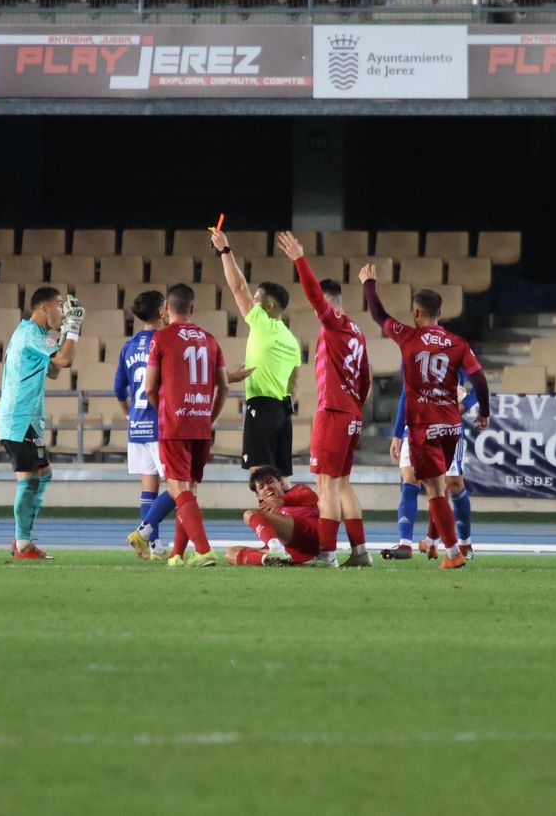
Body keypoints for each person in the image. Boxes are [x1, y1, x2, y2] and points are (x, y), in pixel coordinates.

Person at [361, 266, 490, 570]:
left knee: (432, 488)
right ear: (440, 314)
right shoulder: (458, 344)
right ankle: (443, 547)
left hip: (424, 426)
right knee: (441, 485)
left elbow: (378, 314)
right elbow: (480, 380)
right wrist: (484, 412)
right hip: (451, 426)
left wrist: (368, 284)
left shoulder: (407, 336)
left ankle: (452, 552)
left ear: (416, 312)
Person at [277, 230, 372, 568]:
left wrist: (299, 259)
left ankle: (327, 553)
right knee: (342, 483)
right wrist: (354, 408)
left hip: (333, 412)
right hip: (351, 413)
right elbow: (366, 379)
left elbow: (316, 298)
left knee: (325, 484)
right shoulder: (356, 331)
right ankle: (360, 553)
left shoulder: (333, 324)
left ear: (329, 303)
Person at [0, 286, 84, 560]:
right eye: (59, 306)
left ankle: (23, 536)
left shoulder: (36, 336)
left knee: (43, 475)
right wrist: (73, 328)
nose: (63, 311)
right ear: (44, 308)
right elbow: (66, 360)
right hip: (18, 418)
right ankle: (22, 544)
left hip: (28, 420)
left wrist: (62, 334)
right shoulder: (30, 334)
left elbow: (55, 370)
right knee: (29, 479)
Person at [143, 283, 228, 568]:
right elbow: (224, 386)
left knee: (178, 489)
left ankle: (203, 550)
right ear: (192, 308)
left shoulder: (161, 338)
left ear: (166, 309)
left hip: (175, 424)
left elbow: (149, 387)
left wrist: (165, 410)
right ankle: (178, 554)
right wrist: (209, 416)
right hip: (201, 424)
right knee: (188, 490)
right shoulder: (211, 340)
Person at [209, 228, 296, 478]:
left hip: (262, 406)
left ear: (269, 305)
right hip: (283, 413)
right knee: (280, 478)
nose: (253, 301)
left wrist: (225, 249)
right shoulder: (290, 339)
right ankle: (291, 515)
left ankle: (265, 518)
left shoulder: (263, 323)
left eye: (257, 298)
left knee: (260, 475)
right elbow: (294, 382)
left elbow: (237, 287)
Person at [384, 381, 478, 560]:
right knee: (410, 477)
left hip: (448, 427)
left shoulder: (455, 353)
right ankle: (405, 543)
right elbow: (406, 391)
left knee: (451, 485)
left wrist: (465, 405)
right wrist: (397, 434)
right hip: (416, 425)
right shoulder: (411, 354)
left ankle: (462, 544)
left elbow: (478, 383)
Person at [119, 290, 181, 560]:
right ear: (161, 312)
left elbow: (118, 389)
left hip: (137, 424)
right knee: (179, 486)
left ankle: (154, 548)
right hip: (160, 423)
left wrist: (128, 413)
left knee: (148, 488)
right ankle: (143, 533)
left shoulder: (129, 346)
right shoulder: (165, 341)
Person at [226, 465, 323, 567]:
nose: (267, 487)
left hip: (308, 536)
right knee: (231, 553)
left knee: (249, 514)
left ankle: (276, 551)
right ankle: (271, 559)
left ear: (280, 482)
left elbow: (312, 497)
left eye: (270, 481)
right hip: (291, 551)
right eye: (261, 487)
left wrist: (282, 501)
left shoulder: (297, 490)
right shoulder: (266, 512)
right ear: (258, 495)